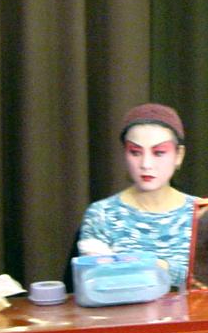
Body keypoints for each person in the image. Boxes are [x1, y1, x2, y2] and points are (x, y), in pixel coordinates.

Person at [68, 103, 196, 289]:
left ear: (179, 155)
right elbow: (95, 283)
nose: (146, 164)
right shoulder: (102, 215)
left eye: (159, 153)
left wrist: (157, 267)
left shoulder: (202, 213)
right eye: (135, 152)